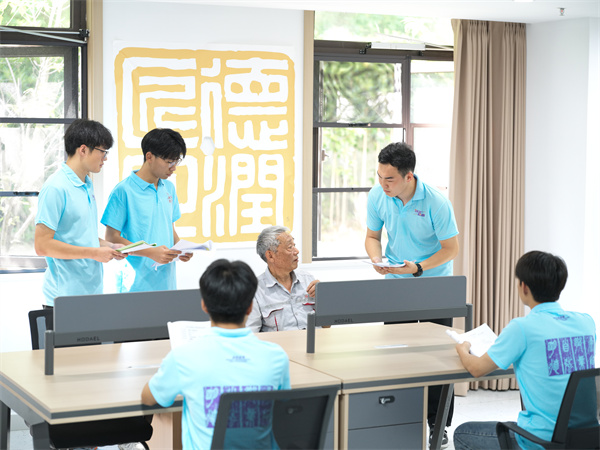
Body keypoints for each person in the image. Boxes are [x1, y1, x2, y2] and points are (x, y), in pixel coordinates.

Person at [365, 142, 460, 446]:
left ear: (409, 176)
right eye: (380, 177)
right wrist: (377, 259)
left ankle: (438, 425)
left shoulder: (436, 202)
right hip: (397, 284)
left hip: (436, 286)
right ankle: (398, 418)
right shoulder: (378, 196)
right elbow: (372, 236)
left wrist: (418, 268)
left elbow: (451, 249)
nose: (383, 184)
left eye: (389, 179)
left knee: (438, 359)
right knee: (396, 355)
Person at [453, 251, 596, 450]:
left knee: (462, 433)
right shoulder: (586, 323)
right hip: (586, 438)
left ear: (524, 286)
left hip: (542, 441)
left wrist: (463, 347)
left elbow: (476, 369)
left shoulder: (522, 328)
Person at [141, 259, 291, 449]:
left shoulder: (184, 357)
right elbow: (283, 408)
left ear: (204, 305)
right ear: (250, 307)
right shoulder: (276, 357)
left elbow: (149, 399)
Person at [34, 118, 126, 307]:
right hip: (63, 298)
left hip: (91, 294)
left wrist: (109, 246)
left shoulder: (86, 185)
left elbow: (78, 235)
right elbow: (42, 245)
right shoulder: (55, 188)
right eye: (103, 151)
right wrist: (94, 253)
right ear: (83, 150)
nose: (105, 158)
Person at [101, 128, 192, 292]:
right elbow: (111, 237)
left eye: (176, 162)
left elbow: (169, 229)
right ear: (149, 157)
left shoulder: (169, 188)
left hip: (166, 281)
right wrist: (150, 252)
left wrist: (181, 249)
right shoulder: (123, 191)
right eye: (169, 162)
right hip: (135, 284)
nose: (173, 168)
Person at [246, 225, 319, 332]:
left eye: (294, 245)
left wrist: (324, 297)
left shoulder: (308, 279)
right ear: (270, 255)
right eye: (290, 247)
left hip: (315, 341)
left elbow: (326, 325)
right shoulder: (255, 291)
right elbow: (251, 333)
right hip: (280, 343)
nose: (296, 251)